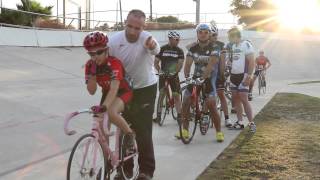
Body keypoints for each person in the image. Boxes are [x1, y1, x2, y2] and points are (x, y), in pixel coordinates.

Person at [108, 9, 160, 180]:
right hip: (124, 90)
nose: (132, 31)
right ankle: (125, 170)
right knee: (124, 129)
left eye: (137, 28)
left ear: (143, 27)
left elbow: (156, 49)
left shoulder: (147, 38)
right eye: (129, 26)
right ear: (125, 22)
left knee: (143, 130)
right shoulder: (114, 41)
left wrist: (152, 46)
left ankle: (146, 171)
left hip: (145, 89)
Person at [83, 31, 135, 150]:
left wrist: (104, 107)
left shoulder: (114, 63)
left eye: (99, 52)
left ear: (106, 50)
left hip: (124, 91)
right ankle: (107, 161)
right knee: (101, 127)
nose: (95, 56)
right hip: (107, 92)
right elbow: (91, 91)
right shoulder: (90, 65)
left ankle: (129, 134)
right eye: (91, 54)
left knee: (111, 112)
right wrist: (93, 74)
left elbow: (114, 88)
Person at [177, 23, 224, 142]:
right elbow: (187, 64)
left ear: (209, 34)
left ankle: (218, 132)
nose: (203, 34)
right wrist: (187, 76)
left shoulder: (215, 47)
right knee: (186, 102)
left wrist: (203, 78)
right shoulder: (193, 48)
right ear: (197, 34)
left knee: (211, 104)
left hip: (209, 78)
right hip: (196, 77)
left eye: (206, 32)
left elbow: (211, 64)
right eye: (200, 32)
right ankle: (185, 130)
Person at [227, 27, 256, 132]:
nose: (229, 38)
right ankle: (240, 122)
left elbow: (252, 61)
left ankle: (251, 123)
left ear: (235, 35)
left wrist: (249, 76)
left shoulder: (246, 44)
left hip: (243, 75)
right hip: (234, 76)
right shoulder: (233, 46)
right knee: (236, 99)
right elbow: (233, 61)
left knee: (244, 98)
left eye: (230, 36)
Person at [154, 30, 184, 122]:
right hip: (163, 75)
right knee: (161, 94)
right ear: (170, 39)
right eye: (176, 39)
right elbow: (156, 62)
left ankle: (179, 115)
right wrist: (159, 71)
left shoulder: (179, 50)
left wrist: (175, 72)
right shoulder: (162, 49)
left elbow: (180, 63)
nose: (178, 41)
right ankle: (158, 116)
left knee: (176, 95)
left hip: (174, 76)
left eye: (178, 39)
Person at [209, 22, 232, 127]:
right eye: (213, 35)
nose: (215, 37)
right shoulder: (203, 44)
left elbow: (222, 62)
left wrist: (222, 75)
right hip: (207, 74)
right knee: (206, 97)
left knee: (221, 95)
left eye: (216, 35)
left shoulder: (221, 45)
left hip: (218, 74)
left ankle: (227, 118)